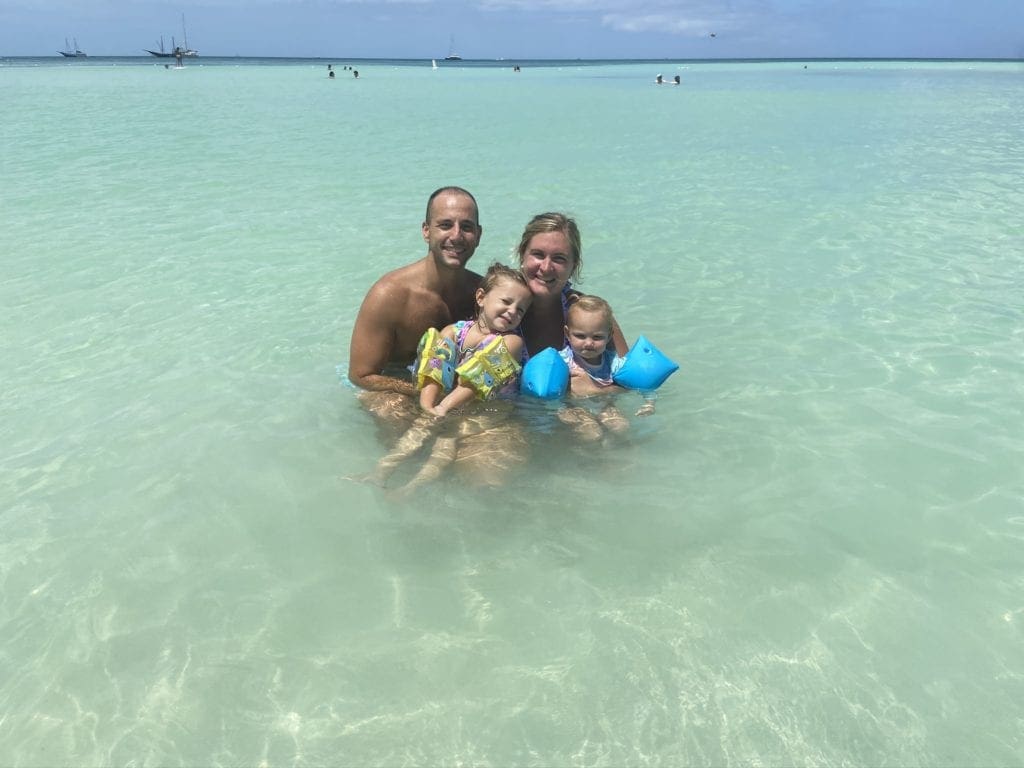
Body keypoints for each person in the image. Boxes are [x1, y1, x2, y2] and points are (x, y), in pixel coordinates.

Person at [369, 263, 532, 491]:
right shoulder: (453, 332)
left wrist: (444, 408)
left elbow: (475, 383)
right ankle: (379, 474)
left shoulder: (511, 342)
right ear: (481, 297)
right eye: (506, 302)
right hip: (449, 403)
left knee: (445, 444)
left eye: (521, 309)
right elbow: (434, 372)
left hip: (487, 408)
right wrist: (428, 406)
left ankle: (412, 487)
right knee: (419, 429)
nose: (513, 311)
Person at [348, 186, 483, 400]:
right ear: (426, 231)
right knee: (390, 406)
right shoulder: (390, 295)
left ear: (478, 235)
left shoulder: (483, 295)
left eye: (466, 227)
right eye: (445, 225)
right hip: (395, 390)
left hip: (452, 394)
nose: (456, 236)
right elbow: (360, 375)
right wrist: (425, 394)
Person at [515, 212, 628, 358]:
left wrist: (588, 382)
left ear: (573, 267)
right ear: (522, 255)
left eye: (559, 258)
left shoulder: (593, 314)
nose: (546, 267)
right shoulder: (497, 307)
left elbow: (632, 378)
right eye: (538, 254)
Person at [557, 295, 656, 442]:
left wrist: (650, 403)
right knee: (591, 434)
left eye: (597, 337)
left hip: (605, 407)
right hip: (573, 408)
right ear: (567, 334)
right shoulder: (562, 361)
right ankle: (588, 456)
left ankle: (616, 454)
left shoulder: (612, 362)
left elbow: (641, 385)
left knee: (622, 427)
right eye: (580, 336)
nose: (589, 343)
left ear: (609, 336)